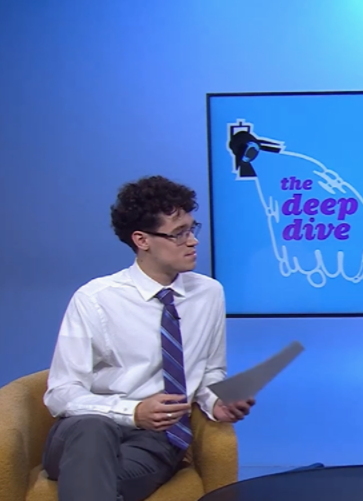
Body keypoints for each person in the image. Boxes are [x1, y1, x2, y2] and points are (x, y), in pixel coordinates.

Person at [42, 175, 256, 501]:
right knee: (92, 430)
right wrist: (132, 411)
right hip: (81, 434)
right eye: (178, 233)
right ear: (142, 240)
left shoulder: (209, 294)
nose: (193, 241)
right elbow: (61, 393)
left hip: (155, 438)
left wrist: (217, 402)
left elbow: (209, 372)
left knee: (93, 482)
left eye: (192, 228)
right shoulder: (96, 298)